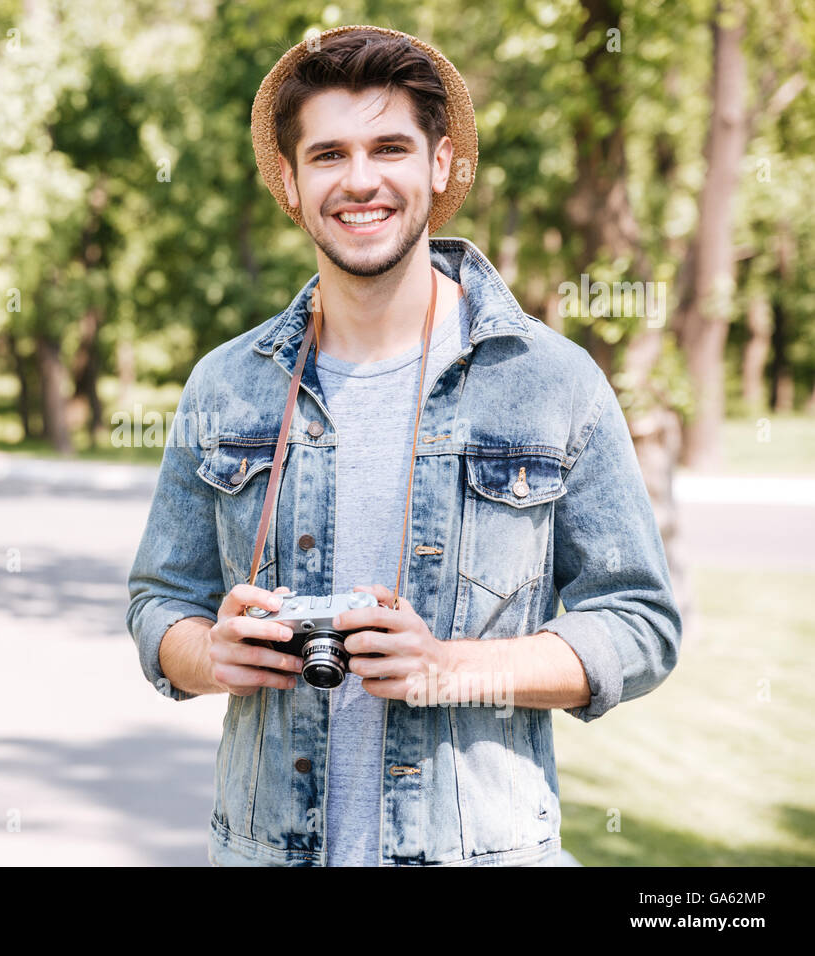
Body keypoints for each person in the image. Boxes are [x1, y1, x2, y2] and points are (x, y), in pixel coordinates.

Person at [125, 25, 682, 867]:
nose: (360, 181)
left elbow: (640, 624)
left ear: (440, 163)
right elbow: (158, 603)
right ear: (289, 178)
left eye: (389, 147)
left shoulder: (552, 383)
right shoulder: (226, 385)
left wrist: (453, 669)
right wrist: (212, 653)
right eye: (328, 154)